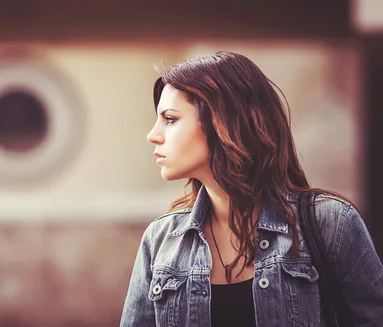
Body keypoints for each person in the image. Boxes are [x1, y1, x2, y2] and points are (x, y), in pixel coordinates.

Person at [119, 51, 383, 327]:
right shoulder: (161, 240)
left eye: (170, 119)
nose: (153, 135)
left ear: (224, 122)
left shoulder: (330, 223)